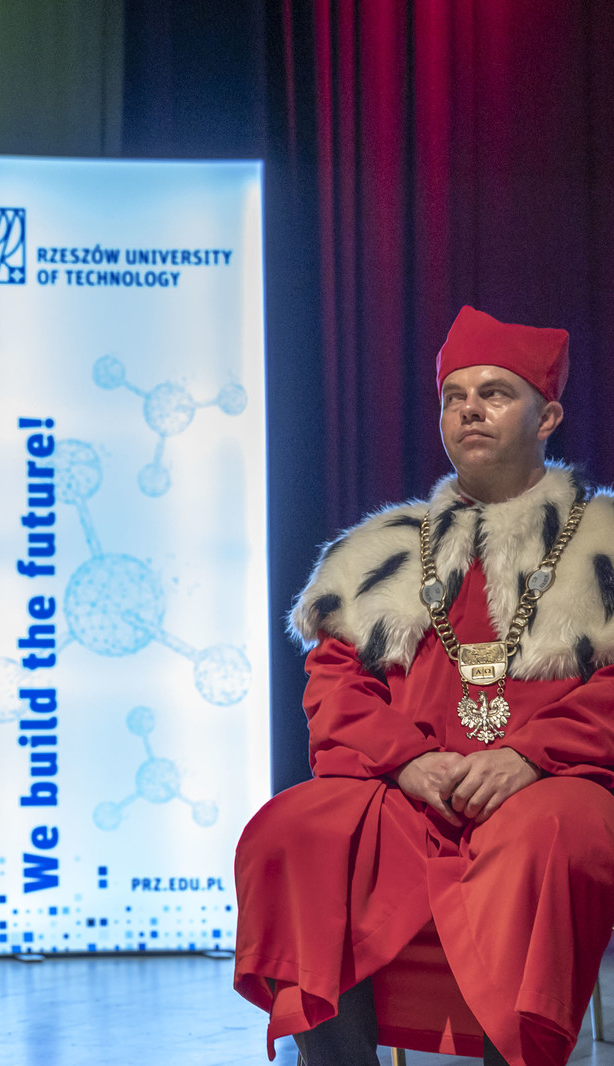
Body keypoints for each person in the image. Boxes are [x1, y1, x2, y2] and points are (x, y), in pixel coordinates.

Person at [233, 305, 614, 1066]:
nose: (470, 409)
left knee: (547, 837)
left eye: (495, 393)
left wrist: (530, 756)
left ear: (548, 417)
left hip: (556, 782)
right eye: (454, 396)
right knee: (291, 830)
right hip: (407, 792)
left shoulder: (603, 539)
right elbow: (334, 686)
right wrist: (406, 760)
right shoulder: (379, 551)